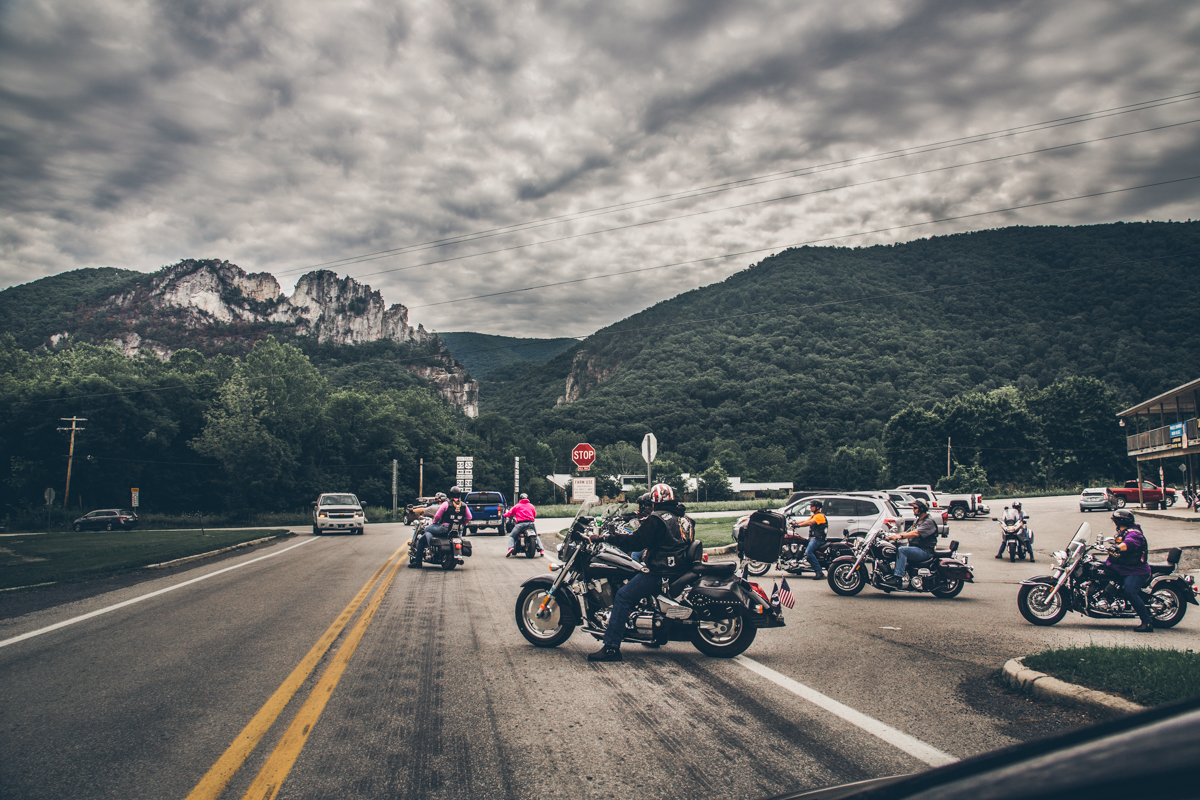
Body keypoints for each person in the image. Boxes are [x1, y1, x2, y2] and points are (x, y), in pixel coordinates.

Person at [587, 483, 693, 662]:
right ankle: (652, 635)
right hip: (677, 568)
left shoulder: (657, 519)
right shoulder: (683, 518)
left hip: (660, 571)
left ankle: (611, 647)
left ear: (653, 501)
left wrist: (606, 538)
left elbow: (636, 542)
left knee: (623, 596)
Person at [1105, 509, 1154, 632]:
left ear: (1120, 522)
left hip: (1135, 571)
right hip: (1121, 567)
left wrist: (1118, 548)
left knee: (1130, 591)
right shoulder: (1124, 532)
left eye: (1115, 521)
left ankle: (1147, 622)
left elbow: (1129, 543)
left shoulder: (1134, 534)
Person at [881, 500, 938, 588]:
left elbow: (915, 533)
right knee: (894, 548)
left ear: (922, 509)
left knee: (902, 550)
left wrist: (900, 536)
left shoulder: (928, 522)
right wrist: (890, 536)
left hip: (925, 551)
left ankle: (897, 579)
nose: (913, 510)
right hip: (917, 548)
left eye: (915, 508)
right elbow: (908, 532)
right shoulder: (919, 521)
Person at [415, 486, 471, 560]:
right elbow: (469, 517)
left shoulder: (446, 504)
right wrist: (463, 523)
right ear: (460, 494)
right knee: (459, 537)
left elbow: (438, 516)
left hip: (445, 529)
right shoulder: (464, 505)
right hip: (458, 529)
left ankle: (429, 548)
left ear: (450, 494)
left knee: (426, 529)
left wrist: (434, 523)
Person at [789, 499, 829, 580]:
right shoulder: (814, 516)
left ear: (817, 507)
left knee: (808, 552)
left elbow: (810, 523)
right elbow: (806, 521)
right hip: (813, 538)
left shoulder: (820, 516)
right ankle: (798, 568)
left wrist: (798, 526)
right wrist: (795, 523)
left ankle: (819, 572)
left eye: (812, 506)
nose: (810, 507)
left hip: (817, 539)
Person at [503, 493, 542, 557]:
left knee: (511, 536)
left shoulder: (517, 506)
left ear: (520, 499)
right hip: (531, 523)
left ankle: (511, 547)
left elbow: (510, 513)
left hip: (520, 524)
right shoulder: (531, 506)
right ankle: (541, 550)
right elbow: (534, 515)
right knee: (536, 536)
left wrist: (504, 515)